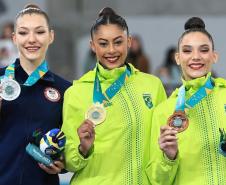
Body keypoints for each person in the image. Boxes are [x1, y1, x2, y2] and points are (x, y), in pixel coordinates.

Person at [62, 7, 166, 185]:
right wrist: (82, 149)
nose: (111, 50)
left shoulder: (152, 85)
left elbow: (163, 148)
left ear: (129, 42)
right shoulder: (76, 92)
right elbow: (69, 161)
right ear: (93, 46)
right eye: (103, 44)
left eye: (118, 42)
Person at [145, 17, 226, 185]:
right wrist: (169, 157)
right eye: (187, 51)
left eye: (204, 50)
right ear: (177, 58)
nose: (195, 57)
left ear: (214, 56)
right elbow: (157, 181)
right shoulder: (165, 111)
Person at [0, 4, 71, 185]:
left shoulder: (66, 90)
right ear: (14, 38)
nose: (31, 39)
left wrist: (62, 164)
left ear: (51, 36)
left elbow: (70, 145)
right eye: (23, 33)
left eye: (39, 32)